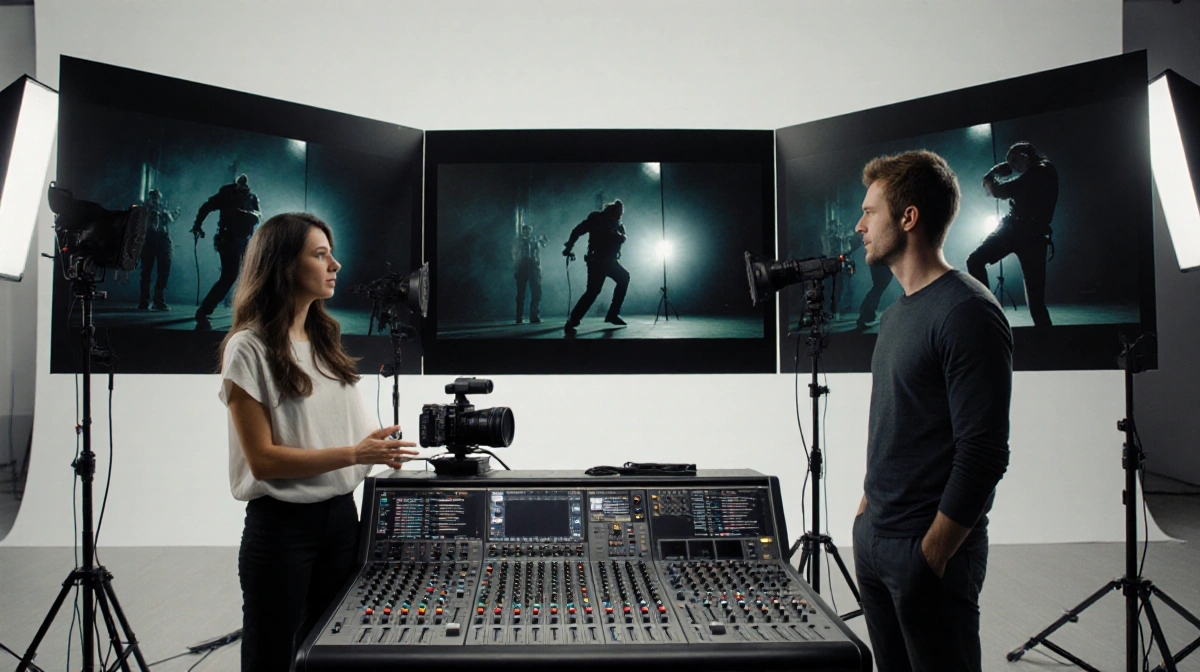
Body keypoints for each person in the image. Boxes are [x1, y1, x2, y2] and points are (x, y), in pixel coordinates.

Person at [218, 212, 418, 672]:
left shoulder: (325, 337)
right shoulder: (247, 347)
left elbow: (331, 427)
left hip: (342, 520)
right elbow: (263, 461)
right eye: (320, 254)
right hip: (282, 529)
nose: (336, 265)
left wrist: (373, 446)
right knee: (270, 659)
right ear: (284, 265)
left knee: (330, 656)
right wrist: (354, 453)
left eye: (331, 253)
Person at [851, 150, 1012, 672]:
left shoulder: (967, 312)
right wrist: (866, 514)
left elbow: (984, 453)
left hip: (924, 550)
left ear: (908, 217)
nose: (860, 226)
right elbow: (897, 423)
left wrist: (934, 552)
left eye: (869, 212)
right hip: (876, 538)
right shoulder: (895, 314)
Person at [966, 141, 1058, 328]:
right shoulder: (1041, 172)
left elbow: (1000, 191)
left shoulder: (1041, 171)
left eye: (1014, 162)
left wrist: (991, 175)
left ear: (1025, 156)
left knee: (1036, 302)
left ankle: (988, 314)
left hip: (1023, 234)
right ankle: (989, 313)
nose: (1014, 168)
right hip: (1021, 232)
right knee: (975, 261)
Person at [193, 173, 263, 330]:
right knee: (229, 276)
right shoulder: (226, 195)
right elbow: (206, 207)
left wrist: (247, 214)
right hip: (228, 239)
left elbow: (259, 215)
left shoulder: (251, 197)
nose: (243, 185)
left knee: (253, 274)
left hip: (246, 240)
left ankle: (252, 312)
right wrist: (197, 225)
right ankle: (205, 309)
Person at [562, 199, 629, 337]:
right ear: (613, 210)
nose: (620, 215)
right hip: (597, 261)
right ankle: (573, 320)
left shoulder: (617, 225)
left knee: (623, 278)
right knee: (593, 291)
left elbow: (622, 238)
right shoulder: (597, 219)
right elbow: (577, 231)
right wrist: (569, 247)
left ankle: (612, 314)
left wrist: (619, 235)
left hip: (610, 261)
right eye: (619, 212)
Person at [138, 188, 180, 311]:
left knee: (164, 269)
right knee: (146, 271)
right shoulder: (144, 208)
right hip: (149, 239)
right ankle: (144, 300)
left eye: (156, 196)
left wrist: (171, 214)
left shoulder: (162, 208)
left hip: (162, 238)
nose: (155, 198)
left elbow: (169, 220)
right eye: (153, 195)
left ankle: (158, 300)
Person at [513, 222, 548, 324]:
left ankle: (534, 315)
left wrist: (542, 238)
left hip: (533, 267)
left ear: (531, 231)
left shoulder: (534, 241)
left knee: (536, 292)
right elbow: (515, 255)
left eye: (528, 230)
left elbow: (544, 244)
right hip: (522, 267)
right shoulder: (519, 242)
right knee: (521, 293)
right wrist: (516, 268)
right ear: (523, 231)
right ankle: (519, 316)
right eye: (525, 230)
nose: (527, 232)